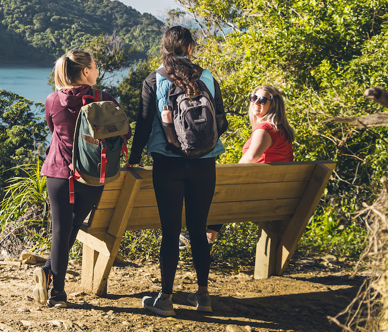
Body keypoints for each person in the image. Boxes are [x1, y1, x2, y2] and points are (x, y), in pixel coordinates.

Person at [125, 26, 228, 316]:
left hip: (167, 163)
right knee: (198, 228)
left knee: (170, 232)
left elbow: (144, 125)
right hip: (205, 162)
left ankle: (166, 298)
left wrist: (133, 159)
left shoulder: (153, 80)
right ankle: (204, 297)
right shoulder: (207, 77)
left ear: (164, 49)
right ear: (190, 49)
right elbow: (222, 123)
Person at [33, 50, 123, 307]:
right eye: (95, 67)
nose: (96, 71)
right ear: (85, 72)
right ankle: (50, 275)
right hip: (92, 177)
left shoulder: (53, 100)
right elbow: (119, 136)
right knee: (72, 226)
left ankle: (56, 289)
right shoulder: (104, 99)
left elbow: (53, 130)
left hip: (59, 174)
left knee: (62, 229)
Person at [186, 85, 295, 246]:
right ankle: (205, 240)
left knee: (214, 188)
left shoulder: (265, 129)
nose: (256, 102)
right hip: (276, 195)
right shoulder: (282, 130)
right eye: (253, 97)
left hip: (258, 195)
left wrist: (231, 176)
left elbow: (251, 158)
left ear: (274, 104)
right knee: (223, 192)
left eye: (262, 100)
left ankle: (195, 235)